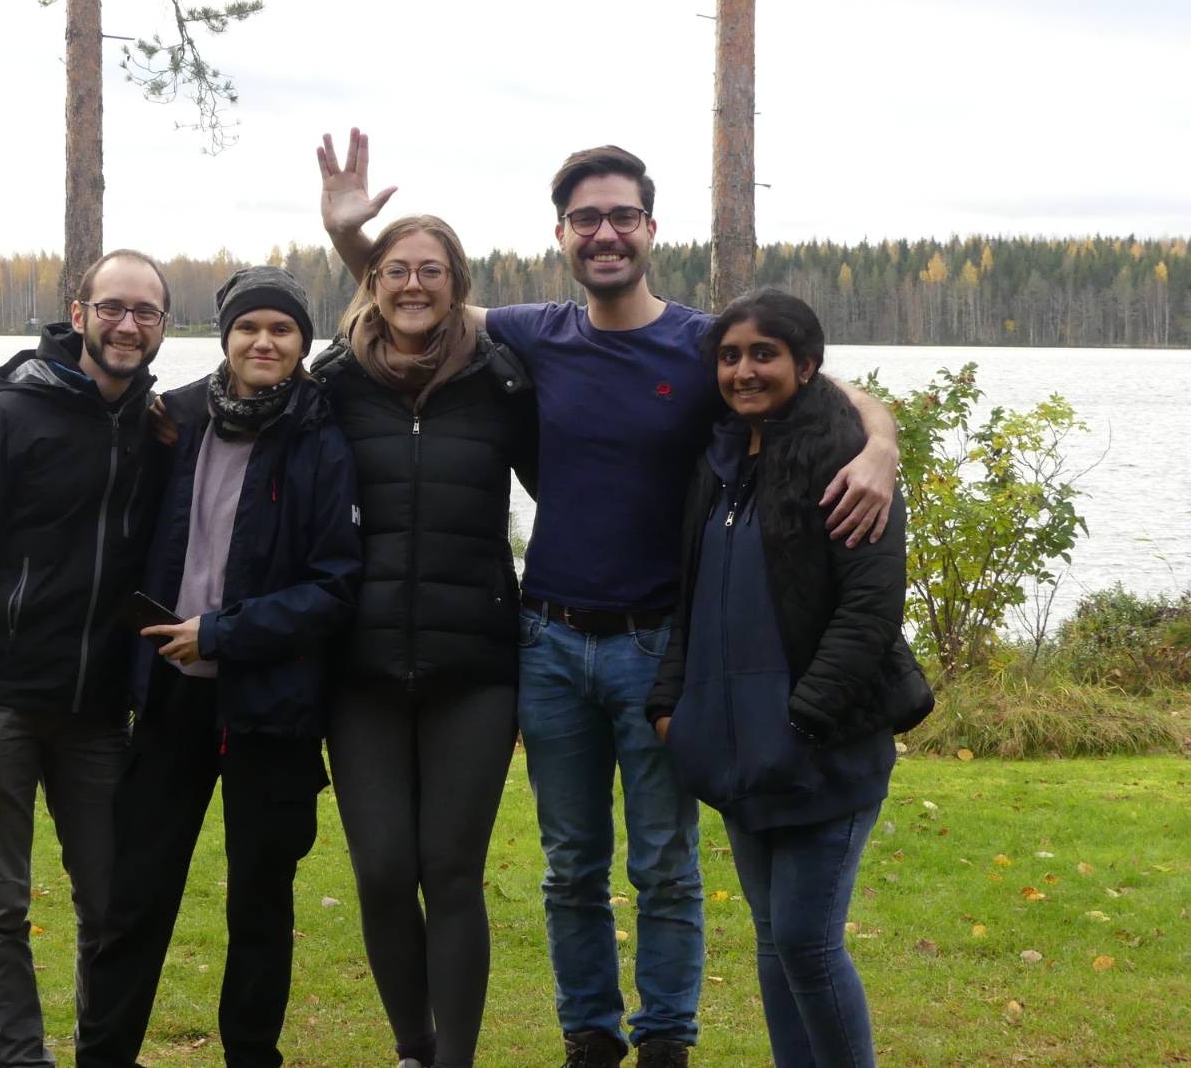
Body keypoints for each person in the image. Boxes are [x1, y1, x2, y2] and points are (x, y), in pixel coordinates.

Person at [319, 131, 900, 1068]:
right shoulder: (531, 334)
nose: (604, 233)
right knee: (570, 864)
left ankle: (665, 1036)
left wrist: (881, 443)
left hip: (659, 644)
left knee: (664, 861)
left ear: (650, 228)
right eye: (585, 218)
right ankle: (590, 1033)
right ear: (561, 233)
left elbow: (819, 382)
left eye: (622, 215)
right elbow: (413, 300)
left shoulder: (702, 343)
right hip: (547, 642)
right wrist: (350, 237)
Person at [76, 266, 362, 1068]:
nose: (264, 341)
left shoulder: (321, 438)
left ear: (303, 343)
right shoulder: (176, 419)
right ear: (225, 337)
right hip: (169, 698)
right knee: (135, 896)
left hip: (270, 704)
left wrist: (225, 633)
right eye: (248, 327)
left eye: (282, 329)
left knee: (260, 905)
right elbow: (82, 405)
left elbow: (335, 586)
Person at [0, 248, 171, 1068]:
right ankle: (21, 1059)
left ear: (163, 325)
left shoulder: (154, 428)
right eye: (113, 307)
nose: (127, 324)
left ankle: (103, 1053)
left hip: (97, 711)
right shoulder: (6, 417)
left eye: (146, 311)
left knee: (111, 902)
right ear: (80, 311)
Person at [645, 289, 905, 1068]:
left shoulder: (848, 464)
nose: (744, 370)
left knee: (805, 939)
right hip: (738, 750)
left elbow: (869, 610)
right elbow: (691, 595)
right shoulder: (720, 461)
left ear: (807, 364)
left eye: (765, 353)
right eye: (730, 356)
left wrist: (805, 719)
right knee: (772, 939)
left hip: (823, 747)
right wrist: (670, 704)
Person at [309, 214, 537, 1068]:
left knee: (450, 870)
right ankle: (414, 1045)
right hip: (358, 668)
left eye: (431, 270)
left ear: (457, 284)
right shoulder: (332, 383)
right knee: (379, 870)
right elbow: (245, 412)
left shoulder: (501, 381)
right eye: (397, 269)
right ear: (372, 282)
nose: (413, 284)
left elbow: (582, 471)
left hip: (474, 667)